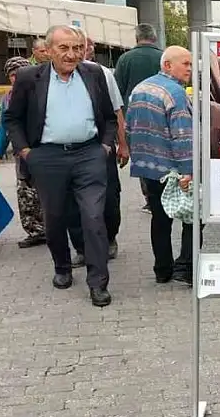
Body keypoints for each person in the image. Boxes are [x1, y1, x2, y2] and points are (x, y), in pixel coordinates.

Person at [4, 25, 118, 307]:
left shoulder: (94, 74)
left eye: (77, 48)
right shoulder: (30, 78)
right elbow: (13, 119)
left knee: (93, 217)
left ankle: (98, 283)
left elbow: (109, 116)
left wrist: (105, 145)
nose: (71, 54)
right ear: (49, 50)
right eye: (64, 48)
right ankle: (62, 268)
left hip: (89, 155)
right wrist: (27, 152)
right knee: (54, 217)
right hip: (48, 158)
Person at [126, 46, 195, 284]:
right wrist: (188, 170)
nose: (189, 68)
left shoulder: (140, 88)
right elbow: (183, 135)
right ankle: (186, 268)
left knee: (159, 218)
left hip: (147, 167)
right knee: (192, 216)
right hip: (173, 169)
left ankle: (162, 270)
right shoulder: (175, 92)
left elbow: (129, 126)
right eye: (185, 63)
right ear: (168, 65)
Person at [0, 56, 46, 248]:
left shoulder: (43, 92)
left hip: (44, 150)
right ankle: (36, 231)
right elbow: (4, 128)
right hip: (22, 154)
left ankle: (55, 228)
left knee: (48, 191)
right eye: (12, 75)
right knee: (26, 192)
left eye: (19, 74)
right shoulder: (8, 99)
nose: (15, 78)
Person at [80, 35, 128, 261]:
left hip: (101, 147)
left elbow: (116, 111)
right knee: (72, 201)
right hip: (67, 151)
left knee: (109, 195)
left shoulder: (102, 74)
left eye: (80, 47)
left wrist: (123, 144)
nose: (74, 52)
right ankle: (82, 248)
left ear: (88, 50)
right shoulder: (46, 76)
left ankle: (110, 237)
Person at [114, 23, 163, 212]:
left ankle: (150, 197)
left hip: (134, 118)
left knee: (142, 157)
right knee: (162, 154)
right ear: (154, 38)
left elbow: (117, 92)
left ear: (136, 38)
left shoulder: (125, 59)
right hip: (161, 115)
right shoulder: (163, 57)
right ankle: (164, 191)